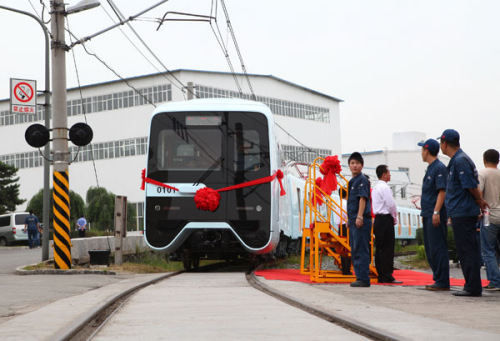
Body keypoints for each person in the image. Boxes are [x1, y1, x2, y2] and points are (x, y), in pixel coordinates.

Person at [439, 129, 488, 297]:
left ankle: (473, 287)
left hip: (464, 212)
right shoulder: (457, 160)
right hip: (461, 211)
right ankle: (471, 284)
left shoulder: (460, 161)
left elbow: (470, 185)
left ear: (444, 144)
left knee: (467, 250)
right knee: (466, 250)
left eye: (441, 143)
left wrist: (479, 201)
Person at [418, 138, 450, 291]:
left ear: (427, 150)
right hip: (428, 213)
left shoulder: (439, 168)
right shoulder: (431, 168)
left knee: (437, 247)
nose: (421, 153)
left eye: (422, 150)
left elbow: (442, 191)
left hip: (434, 214)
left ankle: (443, 281)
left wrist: (436, 211)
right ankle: (438, 279)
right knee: (431, 248)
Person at [371, 165, 401, 284]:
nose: (390, 175)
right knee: (388, 248)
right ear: (384, 174)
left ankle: (381, 275)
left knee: (380, 248)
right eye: (389, 173)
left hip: (378, 219)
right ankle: (387, 275)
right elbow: (390, 204)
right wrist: (394, 217)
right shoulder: (385, 187)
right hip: (385, 219)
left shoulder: (375, 188)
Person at [347, 152, 372, 287]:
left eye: (357, 163)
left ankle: (363, 278)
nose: (354, 166)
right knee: (355, 248)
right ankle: (360, 276)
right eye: (352, 163)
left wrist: (359, 216)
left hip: (360, 220)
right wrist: (349, 219)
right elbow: (351, 202)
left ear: (362, 165)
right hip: (354, 219)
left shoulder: (362, 180)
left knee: (361, 248)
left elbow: (363, 199)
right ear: (349, 165)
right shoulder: (352, 181)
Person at [478, 149, 500, 291]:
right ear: (498, 160)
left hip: (489, 217)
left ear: (484, 160)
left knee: (488, 250)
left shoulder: (483, 174)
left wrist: (479, 211)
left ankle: (495, 282)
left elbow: (479, 194)